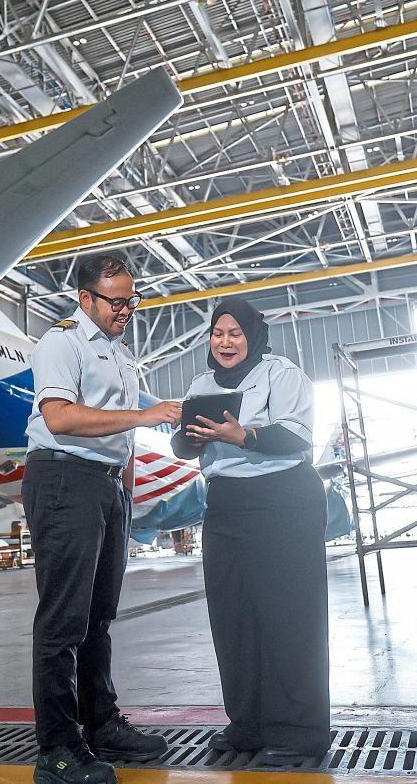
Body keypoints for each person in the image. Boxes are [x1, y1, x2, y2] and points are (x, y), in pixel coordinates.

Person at [24, 252, 182, 784]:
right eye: (115, 301)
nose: (126, 309)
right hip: (64, 477)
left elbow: (121, 442)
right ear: (85, 298)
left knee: (99, 617)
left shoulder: (119, 354)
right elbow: (60, 417)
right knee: (63, 619)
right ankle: (57, 749)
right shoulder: (60, 342)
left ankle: (100, 723)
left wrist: (128, 494)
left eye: (131, 299)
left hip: (106, 487)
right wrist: (146, 415)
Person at [171, 297, 330, 765]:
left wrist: (243, 436)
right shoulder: (201, 384)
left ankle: (299, 732)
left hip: (284, 500)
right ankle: (249, 724)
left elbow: (299, 436)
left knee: (289, 618)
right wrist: (192, 435)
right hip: (226, 505)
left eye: (235, 333)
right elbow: (183, 446)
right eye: (218, 333)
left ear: (252, 336)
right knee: (233, 619)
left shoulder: (281, 373)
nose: (225, 341)